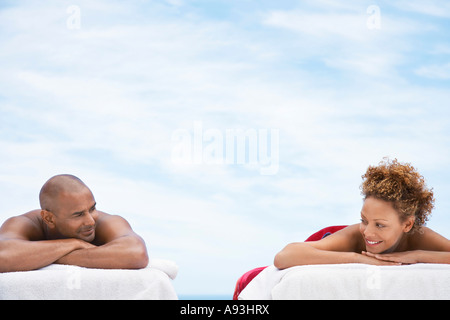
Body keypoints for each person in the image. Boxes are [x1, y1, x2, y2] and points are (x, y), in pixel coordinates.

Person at [274, 158, 450, 269]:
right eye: (364, 220)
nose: (367, 232)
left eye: (380, 225)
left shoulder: (419, 237)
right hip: (328, 237)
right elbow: (283, 257)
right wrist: (357, 258)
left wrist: (416, 255)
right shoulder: (355, 236)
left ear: (407, 225)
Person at [0, 174, 149, 273]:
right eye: (78, 215)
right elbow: (2, 256)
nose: (91, 221)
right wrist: (73, 243)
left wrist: (46, 257)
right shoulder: (24, 223)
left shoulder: (107, 222)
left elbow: (137, 253)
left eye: (92, 208)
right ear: (49, 219)